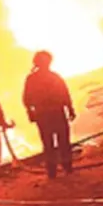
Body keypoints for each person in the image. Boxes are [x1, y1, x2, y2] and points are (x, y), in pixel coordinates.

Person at [23, 51, 76, 179]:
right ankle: (64, 167)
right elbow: (64, 94)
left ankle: (55, 170)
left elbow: (26, 99)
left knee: (50, 144)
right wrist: (70, 109)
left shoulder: (32, 79)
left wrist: (31, 112)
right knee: (60, 142)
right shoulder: (53, 77)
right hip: (53, 114)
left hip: (45, 115)